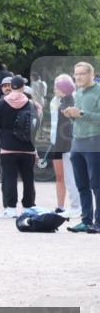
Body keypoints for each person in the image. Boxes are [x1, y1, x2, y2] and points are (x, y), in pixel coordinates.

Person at [0, 75, 37, 216]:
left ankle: (10, 208)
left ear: (11, 87)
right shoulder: (31, 104)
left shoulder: (0, 104)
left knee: (9, 177)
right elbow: (36, 124)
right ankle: (28, 207)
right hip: (28, 147)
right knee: (28, 178)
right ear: (23, 87)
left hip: (8, 147)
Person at [64, 61, 100, 233]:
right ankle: (86, 220)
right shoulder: (77, 93)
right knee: (82, 184)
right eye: (76, 74)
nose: (77, 77)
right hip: (77, 142)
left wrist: (82, 113)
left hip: (95, 141)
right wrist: (71, 115)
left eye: (82, 74)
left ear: (91, 75)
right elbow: (78, 118)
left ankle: (98, 223)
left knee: (97, 184)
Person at [49, 74, 80, 218]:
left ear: (64, 88)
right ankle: (68, 206)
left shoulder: (72, 100)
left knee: (72, 177)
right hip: (57, 142)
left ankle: (76, 207)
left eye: (57, 87)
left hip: (68, 143)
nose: (54, 89)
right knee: (65, 177)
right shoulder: (57, 101)